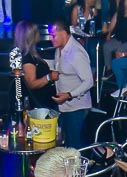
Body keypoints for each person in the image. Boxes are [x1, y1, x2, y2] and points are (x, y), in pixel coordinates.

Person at [50, 20, 93, 149]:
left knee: (76, 148)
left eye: (53, 35)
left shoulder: (76, 53)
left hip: (77, 109)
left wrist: (69, 95)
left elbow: (89, 81)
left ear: (63, 33)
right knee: (66, 145)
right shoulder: (60, 49)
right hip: (64, 108)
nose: (51, 39)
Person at [13, 21, 58, 111]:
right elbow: (31, 83)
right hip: (39, 106)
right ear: (31, 36)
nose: (39, 33)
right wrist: (49, 77)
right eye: (37, 31)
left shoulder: (32, 55)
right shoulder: (28, 58)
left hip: (44, 103)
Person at [101, 0, 127, 72]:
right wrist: (108, 35)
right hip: (118, 39)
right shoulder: (119, 13)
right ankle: (109, 69)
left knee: (119, 51)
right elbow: (111, 26)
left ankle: (119, 71)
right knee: (106, 46)